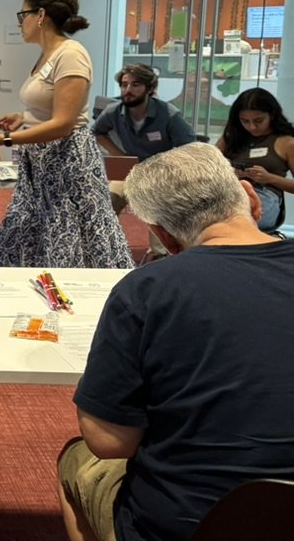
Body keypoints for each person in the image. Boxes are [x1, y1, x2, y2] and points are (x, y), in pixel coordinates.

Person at [57, 142, 294, 541]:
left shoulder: (148, 290)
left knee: (76, 458)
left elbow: (109, 441)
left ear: (164, 237)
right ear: (252, 199)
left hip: (190, 525)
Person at [0, 0, 131, 268]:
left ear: (41, 14)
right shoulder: (48, 55)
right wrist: (25, 117)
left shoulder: (71, 53)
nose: (20, 23)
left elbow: (64, 123)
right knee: (32, 234)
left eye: (23, 15)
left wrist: (2, 140)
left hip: (67, 162)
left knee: (69, 236)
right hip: (43, 163)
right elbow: (50, 108)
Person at [92, 63, 196, 257]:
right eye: (124, 85)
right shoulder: (114, 111)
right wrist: (121, 156)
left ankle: (159, 254)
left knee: (156, 202)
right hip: (132, 172)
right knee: (108, 197)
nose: (128, 90)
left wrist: (165, 168)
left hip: (161, 175)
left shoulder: (169, 114)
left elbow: (189, 148)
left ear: (150, 89)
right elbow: (97, 132)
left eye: (135, 85)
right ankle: (103, 248)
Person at [216, 87, 293, 231]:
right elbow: (209, 167)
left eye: (258, 121)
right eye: (245, 121)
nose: (252, 127)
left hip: (264, 195)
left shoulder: (287, 143)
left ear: (272, 115)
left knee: (232, 218)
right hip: (229, 191)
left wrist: (269, 178)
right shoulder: (231, 138)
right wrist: (229, 173)